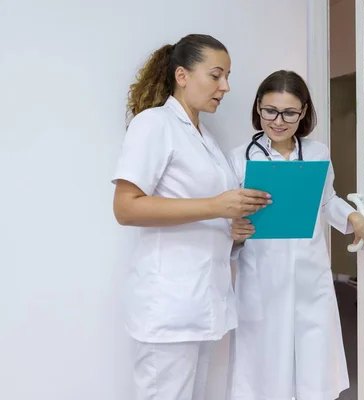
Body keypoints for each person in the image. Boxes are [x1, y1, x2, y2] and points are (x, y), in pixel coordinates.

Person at [111, 34, 271, 400]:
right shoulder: (153, 124)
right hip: (169, 304)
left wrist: (235, 229)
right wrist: (217, 205)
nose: (225, 86)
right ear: (182, 75)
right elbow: (126, 207)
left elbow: (207, 211)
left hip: (203, 300)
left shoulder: (207, 138)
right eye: (216, 76)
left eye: (227, 76)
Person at [226, 70, 364, 400]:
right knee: (263, 364)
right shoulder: (239, 158)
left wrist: (352, 217)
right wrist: (233, 231)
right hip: (261, 273)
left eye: (289, 112)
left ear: (304, 112)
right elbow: (228, 217)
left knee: (313, 359)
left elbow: (326, 200)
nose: (278, 121)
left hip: (310, 273)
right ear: (258, 108)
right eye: (270, 111)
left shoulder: (318, 153)